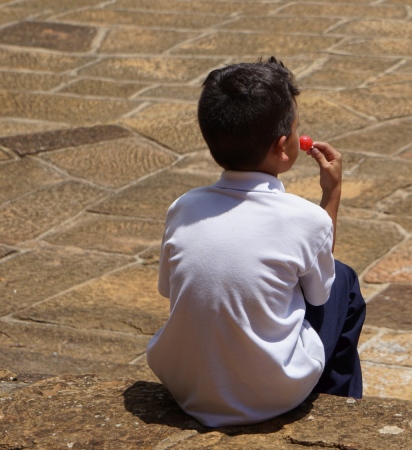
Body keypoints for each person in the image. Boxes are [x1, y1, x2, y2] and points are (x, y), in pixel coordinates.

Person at [146, 57, 366, 428]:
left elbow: (169, 290)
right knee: (343, 281)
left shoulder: (183, 207)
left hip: (185, 386)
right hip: (272, 395)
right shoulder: (305, 218)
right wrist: (331, 194)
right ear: (283, 148)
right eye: (298, 128)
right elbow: (320, 295)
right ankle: (338, 412)